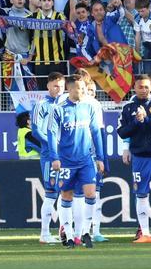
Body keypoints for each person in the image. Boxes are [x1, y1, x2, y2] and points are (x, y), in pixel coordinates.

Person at [49, 75, 106, 248]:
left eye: (83, 88)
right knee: (66, 196)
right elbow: (52, 134)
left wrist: (100, 157)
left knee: (91, 194)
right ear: (69, 89)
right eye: (79, 88)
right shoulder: (58, 109)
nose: (82, 91)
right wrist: (54, 157)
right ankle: (69, 235)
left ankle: (86, 232)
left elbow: (96, 132)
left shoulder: (89, 107)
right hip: (66, 161)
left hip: (86, 160)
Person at [118, 73, 151, 243]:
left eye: (147, 87)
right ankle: (145, 233)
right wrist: (136, 121)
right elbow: (122, 132)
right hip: (139, 158)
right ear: (134, 88)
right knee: (141, 195)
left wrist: (147, 119)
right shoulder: (128, 108)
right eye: (140, 87)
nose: (144, 90)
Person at [28, 72, 67, 244]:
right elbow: (36, 131)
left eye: (62, 86)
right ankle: (44, 233)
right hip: (50, 155)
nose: (59, 89)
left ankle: (65, 231)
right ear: (48, 86)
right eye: (56, 86)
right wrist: (53, 146)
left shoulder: (66, 104)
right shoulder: (41, 105)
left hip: (66, 155)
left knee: (66, 193)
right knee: (51, 193)